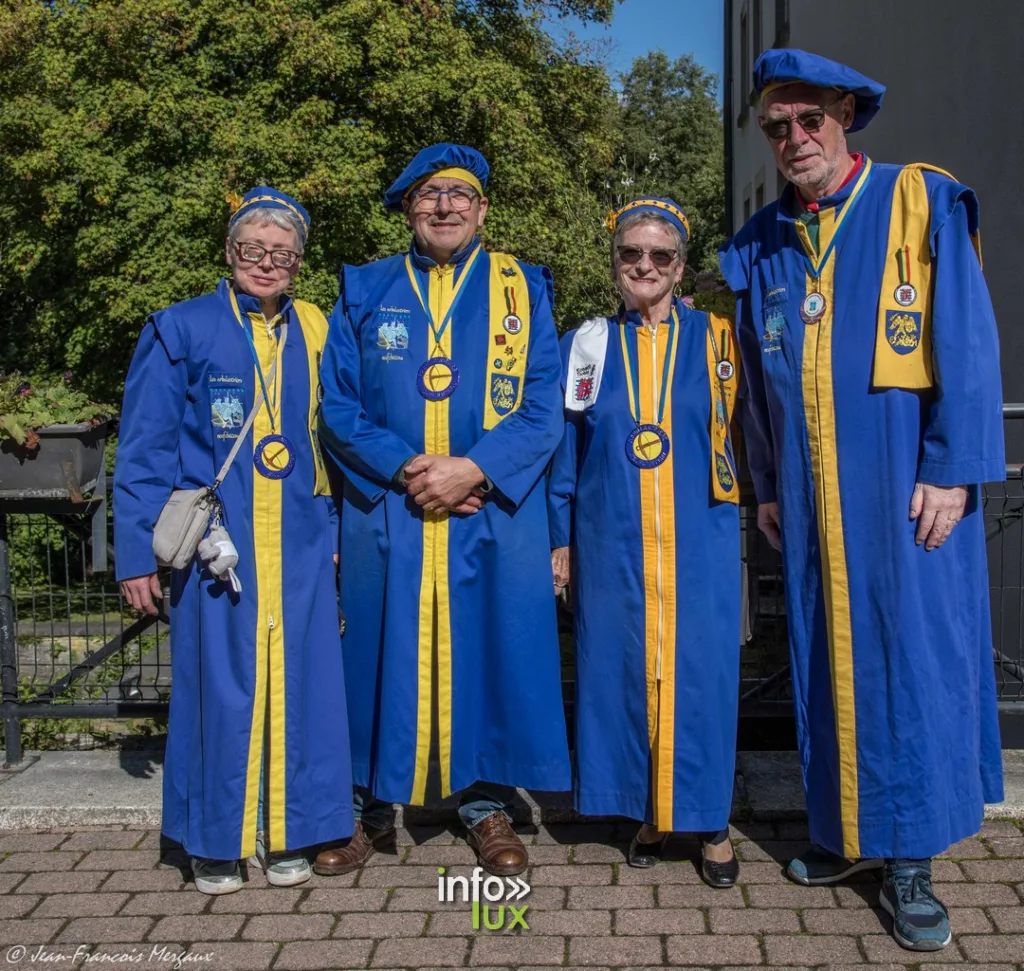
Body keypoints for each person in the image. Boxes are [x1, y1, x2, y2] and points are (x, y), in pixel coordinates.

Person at [719, 49, 1004, 951]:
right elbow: (757, 387)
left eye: (808, 120)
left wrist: (955, 468)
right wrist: (765, 483)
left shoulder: (917, 201)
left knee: (906, 662)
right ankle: (848, 834)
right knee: (823, 656)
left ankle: (910, 853)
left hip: (904, 487)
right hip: (807, 499)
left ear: (845, 113)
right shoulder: (766, 240)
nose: (793, 139)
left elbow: (964, 335)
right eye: (776, 128)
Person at [315, 143, 570, 877]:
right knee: (374, 650)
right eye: (429, 195)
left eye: (459, 195)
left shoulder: (523, 288)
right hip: (390, 508)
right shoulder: (366, 287)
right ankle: (363, 810)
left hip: (488, 508)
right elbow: (337, 403)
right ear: (408, 209)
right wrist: (405, 467)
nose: (445, 207)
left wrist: (472, 468)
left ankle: (484, 803)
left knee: (489, 647)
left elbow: (541, 404)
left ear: (483, 208)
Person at [114, 186, 353, 894]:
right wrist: (135, 554)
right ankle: (214, 839)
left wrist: (339, 534)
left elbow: (335, 443)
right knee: (217, 690)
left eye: (282, 254)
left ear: (299, 262)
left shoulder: (318, 329)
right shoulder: (179, 328)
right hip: (220, 548)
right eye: (253, 248)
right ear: (229, 251)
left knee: (302, 689)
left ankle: (289, 831)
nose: (266, 263)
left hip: (305, 545)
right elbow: (145, 447)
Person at [548, 198, 742, 887]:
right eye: (632, 254)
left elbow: (752, 432)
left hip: (700, 542)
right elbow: (563, 450)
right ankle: (647, 810)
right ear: (616, 264)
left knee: (702, 678)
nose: (645, 266)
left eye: (661, 255)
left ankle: (710, 821)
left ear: (681, 265)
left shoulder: (719, 339)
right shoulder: (589, 343)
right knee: (622, 674)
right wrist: (559, 538)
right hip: (613, 542)